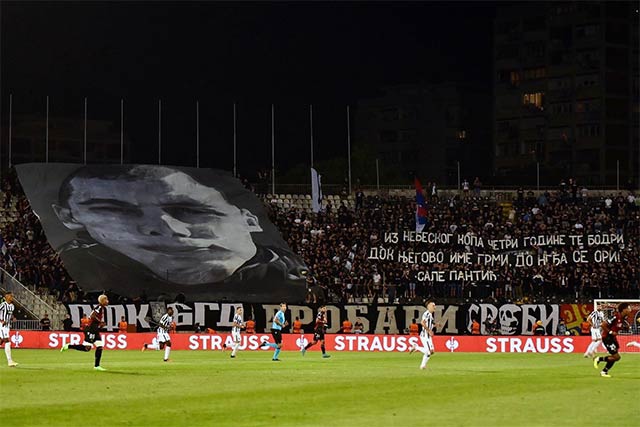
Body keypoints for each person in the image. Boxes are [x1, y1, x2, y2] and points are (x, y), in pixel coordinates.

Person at [51, 165, 307, 301]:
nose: (165, 228)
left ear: (249, 220)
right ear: (69, 218)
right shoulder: (79, 268)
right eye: (115, 211)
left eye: (187, 210)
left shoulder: (298, 279)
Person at [60, 294, 109, 371]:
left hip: (95, 329)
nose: (107, 301)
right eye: (106, 299)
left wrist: (99, 324)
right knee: (87, 348)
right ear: (102, 301)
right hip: (90, 329)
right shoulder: (99, 307)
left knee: (100, 346)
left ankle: (97, 366)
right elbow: (92, 316)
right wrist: (100, 322)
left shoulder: (102, 308)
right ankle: (69, 346)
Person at [594, 303, 632, 377]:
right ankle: (599, 359)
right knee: (616, 357)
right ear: (624, 310)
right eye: (628, 308)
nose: (630, 310)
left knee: (614, 357)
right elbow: (603, 325)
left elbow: (617, 326)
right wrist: (611, 332)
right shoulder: (615, 316)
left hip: (612, 338)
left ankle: (604, 372)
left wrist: (625, 328)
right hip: (607, 338)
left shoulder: (623, 318)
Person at [409, 301, 436, 370]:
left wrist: (436, 325)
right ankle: (416, 347)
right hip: (425, 335)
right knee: (428, 351)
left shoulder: (430, 315)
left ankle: (423, 366)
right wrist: (429, 330)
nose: (434, 307)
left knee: (431, 351)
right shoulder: (426, 314)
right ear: (429, 306)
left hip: (428, 336)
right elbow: (422, 323)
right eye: (433, 306)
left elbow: (430, 324)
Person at [0, 292, 18, 367]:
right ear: (6, 297)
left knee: (1, 341)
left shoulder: (12, 306)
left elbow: (10, 314)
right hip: (1, 325)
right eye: (10, 296)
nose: (12, 297)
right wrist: (1, 320)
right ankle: (10, 361)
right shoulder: (3, 305)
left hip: (7, 326)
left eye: (12, 296)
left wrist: (13, 318)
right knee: (7, 341)